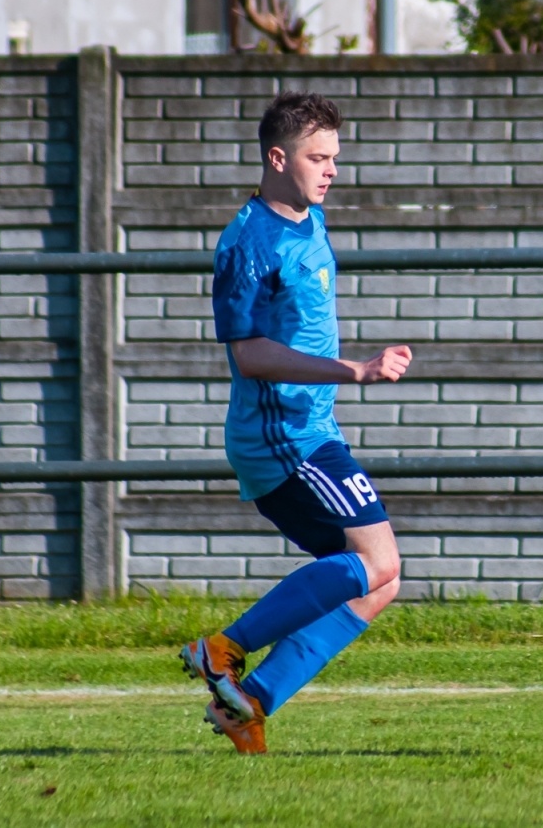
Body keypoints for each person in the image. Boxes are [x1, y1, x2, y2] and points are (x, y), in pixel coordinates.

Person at [180, 91, 413, 754]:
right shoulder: (248, 242)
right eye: (319, 157)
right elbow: (249, 354)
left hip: (310, 430)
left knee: (381, 579)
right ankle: (223, 650)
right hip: (283, 437)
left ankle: (249, 703)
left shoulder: (309, 217)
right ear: (277, 158)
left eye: (335, 157)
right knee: (379, 561)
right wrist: (355, 371)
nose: (332, 169)